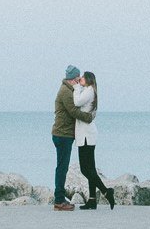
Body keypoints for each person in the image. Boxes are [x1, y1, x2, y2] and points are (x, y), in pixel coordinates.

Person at [51, 64, 95, 210]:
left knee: (62, 167)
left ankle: (60, 198)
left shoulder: (69, 90)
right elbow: (73, 111)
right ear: (72, 79)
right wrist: (89, 117)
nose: (79, 80)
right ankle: (59, 201)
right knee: (62, 168)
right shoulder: (66, 92)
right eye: (77, 78)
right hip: (62, 135)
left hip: (64, 135)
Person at [74, 70, 114, 210]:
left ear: (89, 79)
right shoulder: (90, 91)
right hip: (87, 134)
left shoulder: (88, 91)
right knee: (90, 168)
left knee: (85, 169)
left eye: (83, 77)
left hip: (86, 135)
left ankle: (106, 191)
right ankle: (92, 199)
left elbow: (76, 102)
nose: (81, 79)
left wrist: (76, 86)